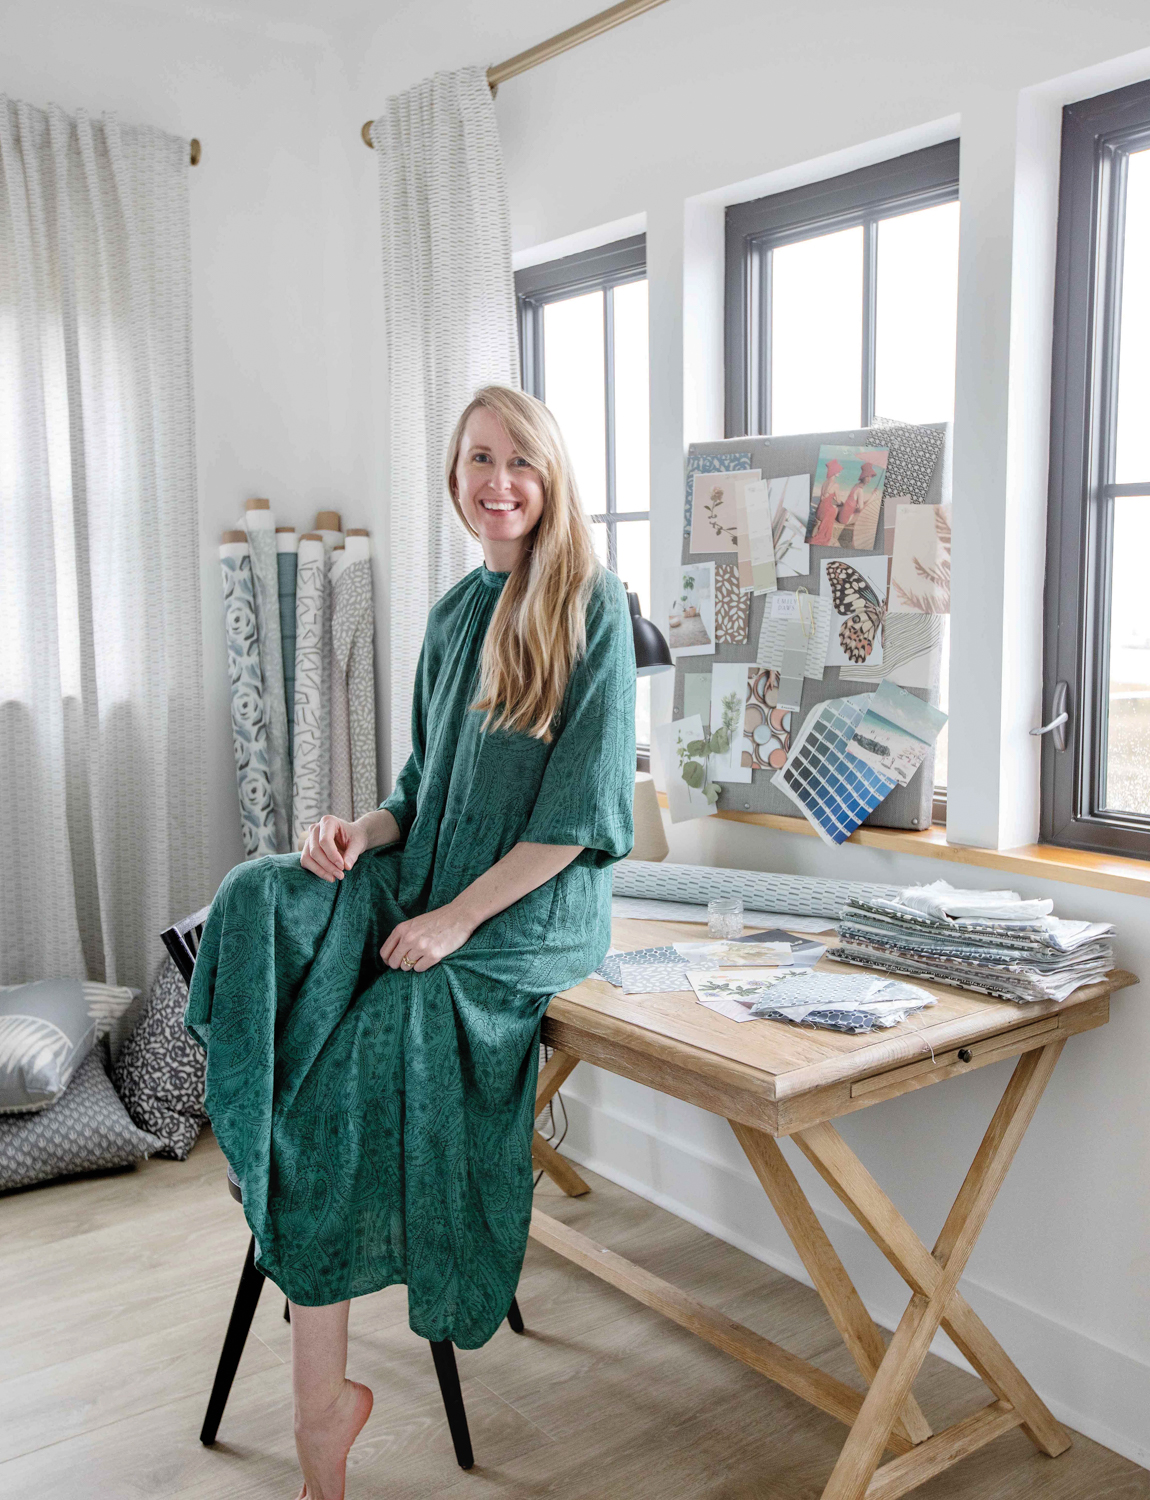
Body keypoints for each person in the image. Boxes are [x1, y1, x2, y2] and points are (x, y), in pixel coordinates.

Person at [185, 384, 637, 1500]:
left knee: (338, 1087)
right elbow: (414, 800)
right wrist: (351, 833)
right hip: (440, 880)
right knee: (258, 894)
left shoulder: (594, 609)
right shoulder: (447, 618)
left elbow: (575, 825)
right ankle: (316, 1368)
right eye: (479, 461)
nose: (499, 483)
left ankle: (318, 1433)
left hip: (530, 913)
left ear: (550, 475)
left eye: (518, 462)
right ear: (454, 477)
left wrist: (453, 920)